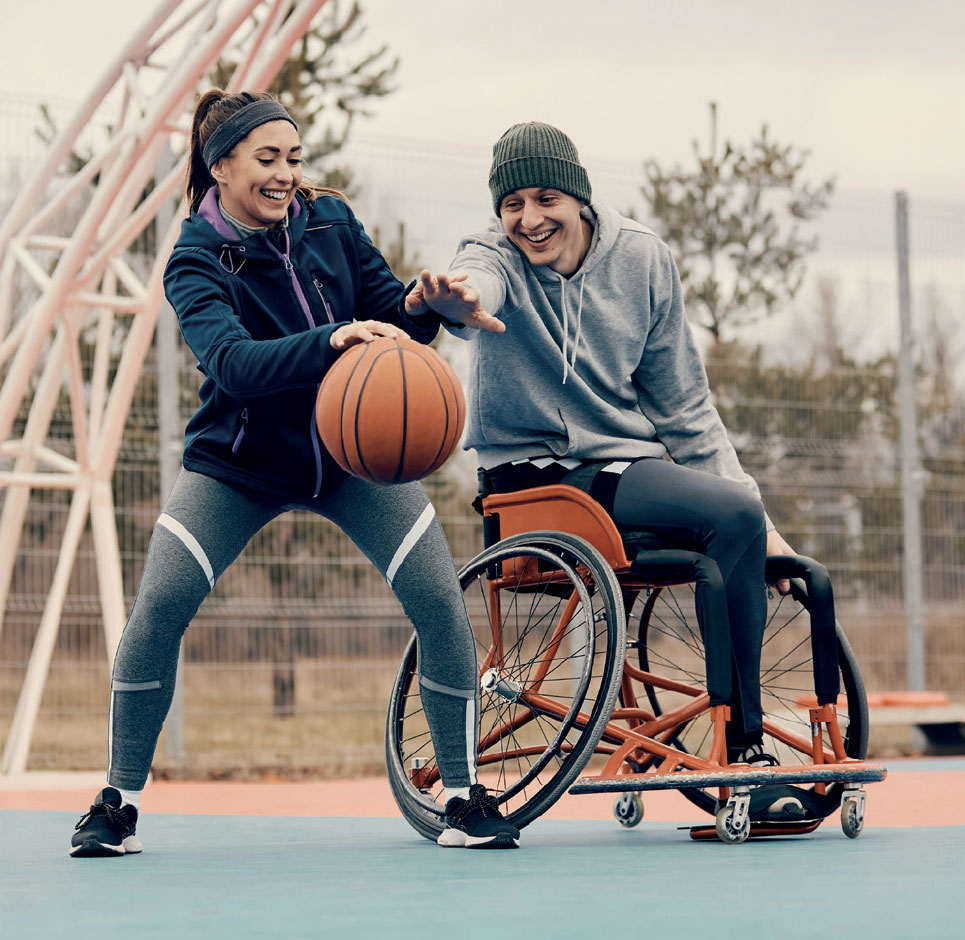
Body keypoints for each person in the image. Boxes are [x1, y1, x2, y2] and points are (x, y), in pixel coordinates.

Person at [69, 91, 518, 857]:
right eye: (268, 159)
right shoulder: (196, 258)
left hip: (352, 458)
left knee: (441, 604)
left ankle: (462, 796)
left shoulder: (331, 221)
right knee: (160, 607)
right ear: (221, 166)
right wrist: (332, 338)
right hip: (238, 465)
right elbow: (235, 366)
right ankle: (118, 801)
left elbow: (389, 315)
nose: (286, 175)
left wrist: (424, 302)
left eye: (295, 158)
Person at [407, 121, 797, 772]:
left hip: (619, 470)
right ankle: (747, 749)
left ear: (579, 197)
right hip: (531, 481)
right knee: (729, 516)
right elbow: (478, 279)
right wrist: (461, 299)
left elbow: (686, 408)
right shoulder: (492, 253)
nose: (528, 219)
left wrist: (766, 526)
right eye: (511, 205)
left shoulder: (642, 259)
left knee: (735, 519)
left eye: (544, 200)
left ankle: (738, 729)